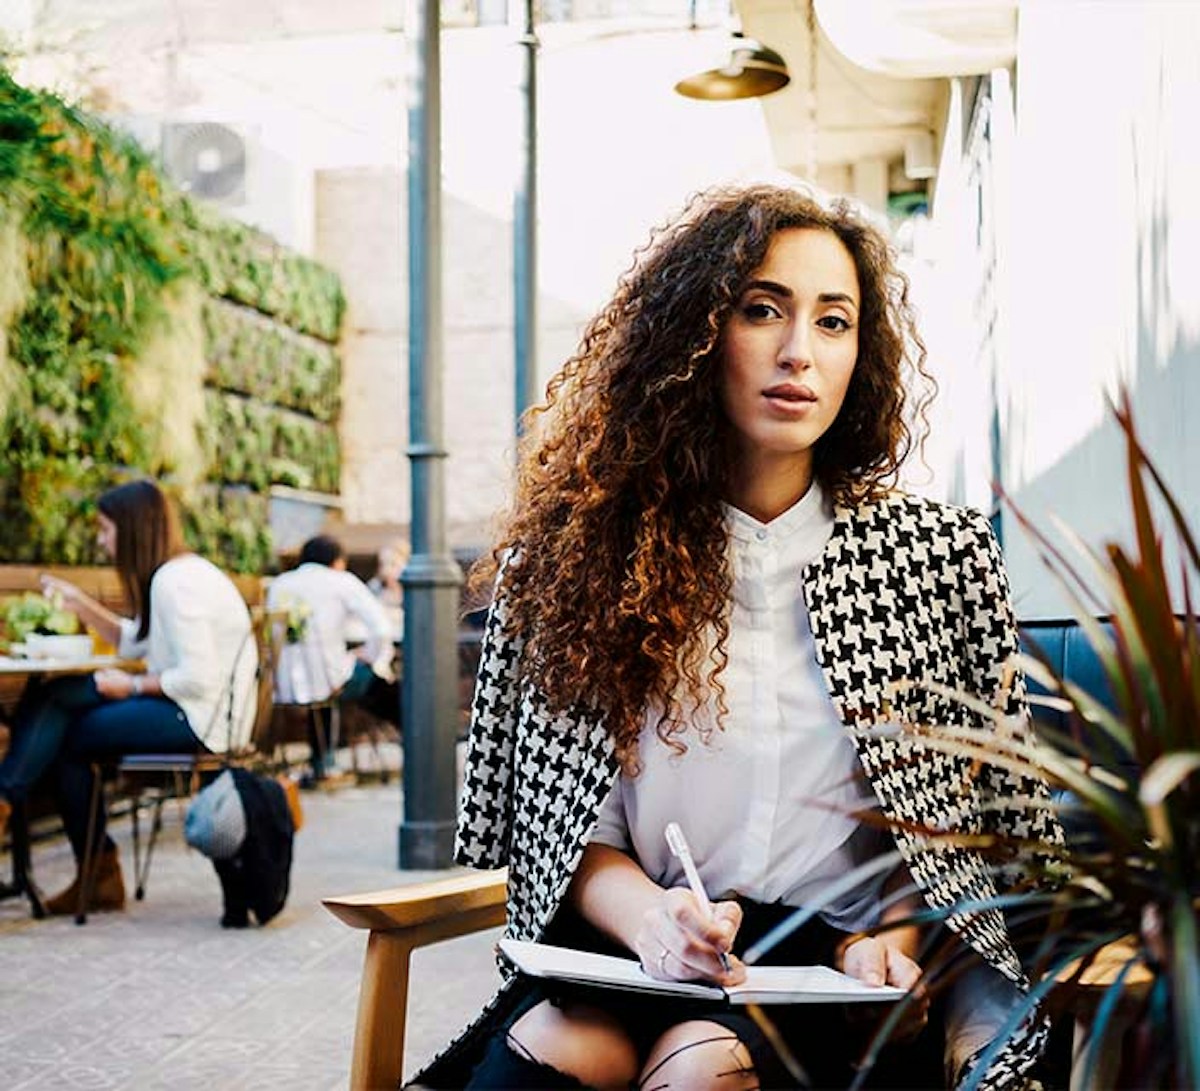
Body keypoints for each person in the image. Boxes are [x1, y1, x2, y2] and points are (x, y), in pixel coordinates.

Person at [416, 182, 1065, 1091]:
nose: (800, 350)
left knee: (701, 1065)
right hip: (631, 955)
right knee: (565, 1051)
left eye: (833, 322)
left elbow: (957, 823)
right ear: (693, 335)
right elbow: (572, 838)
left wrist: (892, 943)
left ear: (861, 354)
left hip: (834, 973)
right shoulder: (578, 564)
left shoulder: (936, 560)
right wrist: (654, 920)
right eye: (763, 310)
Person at [0, 479, 257, 916]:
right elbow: (135, 641)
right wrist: (81, 604)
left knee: (66, 731)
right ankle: (70, 851)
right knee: (57, 702)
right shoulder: (177, 574)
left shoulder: (175, 583)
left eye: (105, 530)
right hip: (202, 710)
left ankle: (92, 867)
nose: (102, 542)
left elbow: (199, 677)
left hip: (201, 718)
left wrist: (132, 686)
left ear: (133, 528)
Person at [266, 535, 400, 780]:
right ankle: (418, 739)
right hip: (330, 681)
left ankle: (323, 762)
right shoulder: (341, 581)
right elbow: (382, 630)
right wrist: (372, 658)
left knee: (326, 689)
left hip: (284, 686)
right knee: (382, 686)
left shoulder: (279, 584)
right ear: (337, 561)